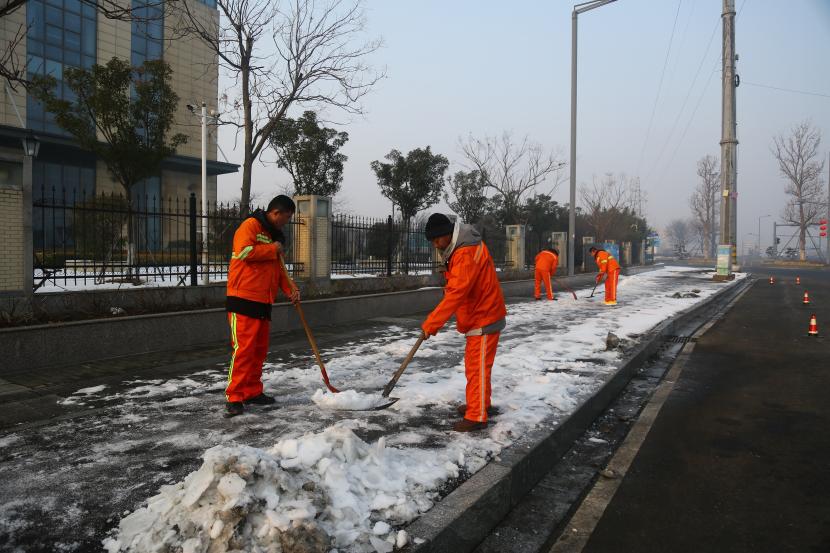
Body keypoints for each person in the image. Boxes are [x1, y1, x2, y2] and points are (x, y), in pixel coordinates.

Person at [421, 214, 507, 432]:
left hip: (483, 315)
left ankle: (477, 416)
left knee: (477, 368)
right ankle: (480, 404)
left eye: (436, 240)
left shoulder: (465, 252)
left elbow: (456, 292)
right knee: (477, 366)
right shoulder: (463, 246)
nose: (435, 245)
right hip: (480, 314)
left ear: (447, 234)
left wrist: (432, 323)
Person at [224, 195, 300, 417]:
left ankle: (252, 391)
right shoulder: (250, 226)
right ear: (276, 213)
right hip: (243, 298)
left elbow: (279, 270)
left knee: (258, 351)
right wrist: (272, 249)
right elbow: (244, 252)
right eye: (286, 218)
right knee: (244, 350)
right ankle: (235, 396)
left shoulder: (273, 236)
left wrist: (291, 289)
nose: (286, 222)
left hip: (263, 301)